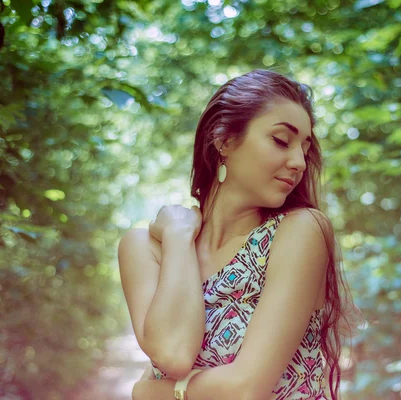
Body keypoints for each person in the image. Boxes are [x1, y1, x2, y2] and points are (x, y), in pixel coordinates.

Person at [118, 69, 364, 400]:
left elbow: (245, 390)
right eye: (281, 140)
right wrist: (178, 236)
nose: (299, 163)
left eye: (304, 149)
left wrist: (155, 393)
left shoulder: (300, 231)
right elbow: (174, 354)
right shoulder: (148, 248)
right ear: (224, 140)